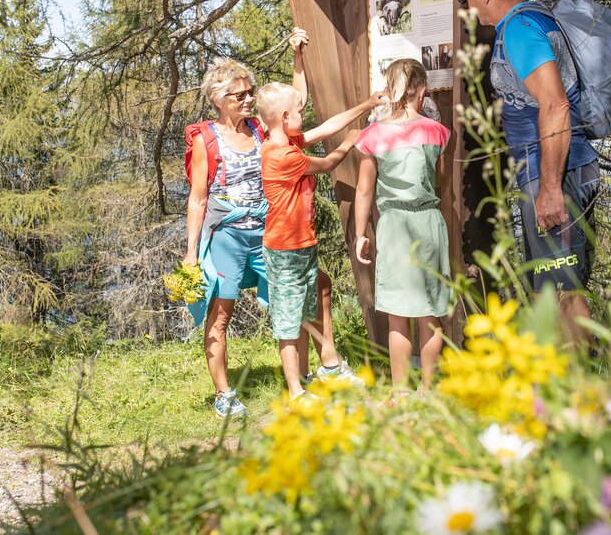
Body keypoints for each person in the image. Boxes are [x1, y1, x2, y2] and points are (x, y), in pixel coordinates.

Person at [183, 30, 359, 418]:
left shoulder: (262, 129)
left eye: (250, 93)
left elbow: (294, 103)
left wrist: (298, 56)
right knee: (222, 311)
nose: (248, 99)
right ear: (218, 99)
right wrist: (191, 253)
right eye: (239, 95)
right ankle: (224, 394)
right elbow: (197, 198)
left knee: (310, 292)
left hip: (268, 232)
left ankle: (317, 372)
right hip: (227, 235)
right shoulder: (206, 140)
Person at [448, 0, 602, 345]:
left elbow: (555, 104)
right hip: (557, 169)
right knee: (551, 286)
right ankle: (565, 385)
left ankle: (586, 392)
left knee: (562, 287)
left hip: (554, 173)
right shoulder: (538, 16)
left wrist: (549, 188)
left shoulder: (518, 30)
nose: (468, 9)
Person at [256, 81, 385, 399]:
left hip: (300, 244)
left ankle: (321, 369)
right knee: (288, 320)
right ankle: (297, 391)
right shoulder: (283, 155)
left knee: (319, 289)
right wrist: (351, 141)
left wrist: (365, 105)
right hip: (285, 248)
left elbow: (327, 128)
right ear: (285, 117)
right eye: (300, 112)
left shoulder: (287, 140)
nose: (304, 116)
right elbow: (327, 164)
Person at [353, 59, 451, 391]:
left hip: (392, 225)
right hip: (428, 222)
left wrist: (359, 233)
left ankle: (399, 392)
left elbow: (365, 188)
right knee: (430, 311)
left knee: (397, 313)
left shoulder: (373, 135)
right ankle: (426, 390)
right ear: (421, 90)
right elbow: (441, 179)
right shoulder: (437, 132)